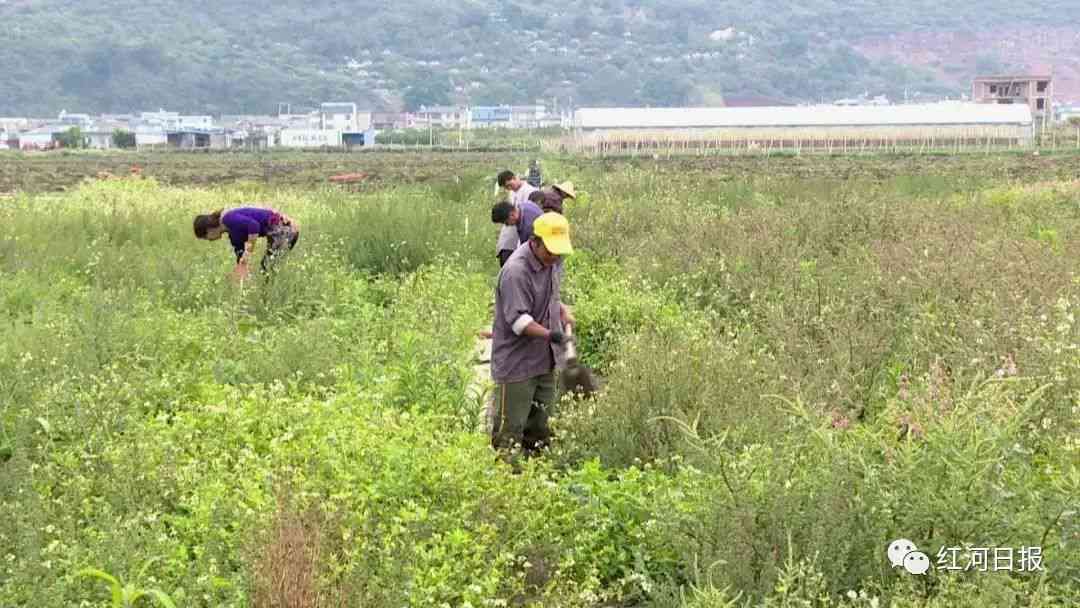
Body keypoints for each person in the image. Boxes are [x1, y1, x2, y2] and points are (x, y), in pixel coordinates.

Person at [490, 212, 575, 462]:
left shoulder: (551, 262)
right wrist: (553, 335)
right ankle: (505, 480)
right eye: (550, 252)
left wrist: (562, 309)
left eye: (559, 252)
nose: (555, 257)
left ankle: (536, 474)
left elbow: (550, 297)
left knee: (541, 424)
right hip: (517, 364)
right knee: (510, 428)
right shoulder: (516, 271)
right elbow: (519, 322)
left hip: (544, 360)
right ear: (535, 242)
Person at [193, 206, 300, 280]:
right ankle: (266, 295)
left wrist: (248, 253)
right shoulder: (232, 235)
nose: (210, 241)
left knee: (267, 267)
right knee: (267, 267)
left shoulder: (228, 219)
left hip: (286, 229)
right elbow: (240, 256)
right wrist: (238, 271)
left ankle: (269, 296)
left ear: (209, 230)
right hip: (277, 233)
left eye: (206, 237)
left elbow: (254, 226)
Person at [494, 170, 538, 267]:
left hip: (519, 234)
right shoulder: (512, 193)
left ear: (514, 178)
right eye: (506, 187)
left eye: (509, 185)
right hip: (511, 233)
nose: (509, 188)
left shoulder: (530, 191)